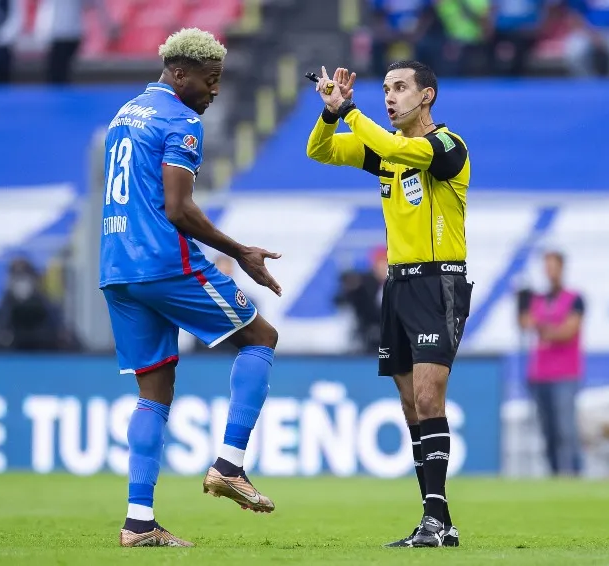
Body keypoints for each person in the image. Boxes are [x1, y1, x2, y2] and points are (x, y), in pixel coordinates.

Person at [99, 28, 282, 548]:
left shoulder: (126, 113)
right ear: (180, 74)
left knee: (153, 391)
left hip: (116, 268)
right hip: (163, 262)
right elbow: (178, 208)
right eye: (211, 79)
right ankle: (230, 464)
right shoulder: (180, 120)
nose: (215, 91)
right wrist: (242, 250)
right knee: (260, 338)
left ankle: (138, 523)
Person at [307, 61, 473, 548]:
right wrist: (330, 112)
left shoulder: (447, 146)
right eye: (385, 89)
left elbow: (401, 147)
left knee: (427, 397)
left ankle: (438, 521)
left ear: (428, 97)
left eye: (400, 88)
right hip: (397, 286)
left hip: (438, 281)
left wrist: (351, 109)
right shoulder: (387, 153)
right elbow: (318, 149)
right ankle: (435, 521)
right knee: (409, 404)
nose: (390, 96)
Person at [518, 250, 585, 476]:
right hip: (540, 373)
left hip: (565, 373)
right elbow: (524, 323)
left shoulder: (574, 299)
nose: (549, 271)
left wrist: (542, 327)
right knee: (548, 431)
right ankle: (555, 474)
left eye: (553, 266)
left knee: (566, 429)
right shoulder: (538, 299)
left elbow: (568, 331)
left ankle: (574, 473)